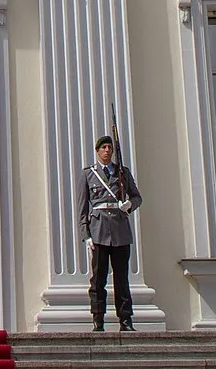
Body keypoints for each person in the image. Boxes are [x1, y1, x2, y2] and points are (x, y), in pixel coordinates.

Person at [78, 134, 140, 332]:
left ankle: (125, 319)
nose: (107, 151)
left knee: (122, 278)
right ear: (97, 151)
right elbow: (82, 208)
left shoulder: (122, 172)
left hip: (120, 231)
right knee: (98, 279)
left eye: (109, 148)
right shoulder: (88, 174)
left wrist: (129, 205)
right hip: (98, 231)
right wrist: (85, 235)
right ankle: (98, 319)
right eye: (103, 147)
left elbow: (137, 197)